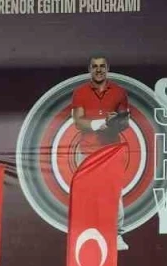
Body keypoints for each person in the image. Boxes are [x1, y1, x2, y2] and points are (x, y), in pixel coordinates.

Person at [71, 54, 131, 248]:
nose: (98, 70)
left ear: (107, 68)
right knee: (87, 197)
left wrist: (115, 121)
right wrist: (99, 124)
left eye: (102, 66)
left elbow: (125, 122)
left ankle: (117, 235)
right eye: (95, 66)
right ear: (90, 69)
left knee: (114, 194)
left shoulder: (119, 92)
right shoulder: (80, 92)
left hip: (111, 151)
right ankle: (87, 236)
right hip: (87, 152)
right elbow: (78, 121)